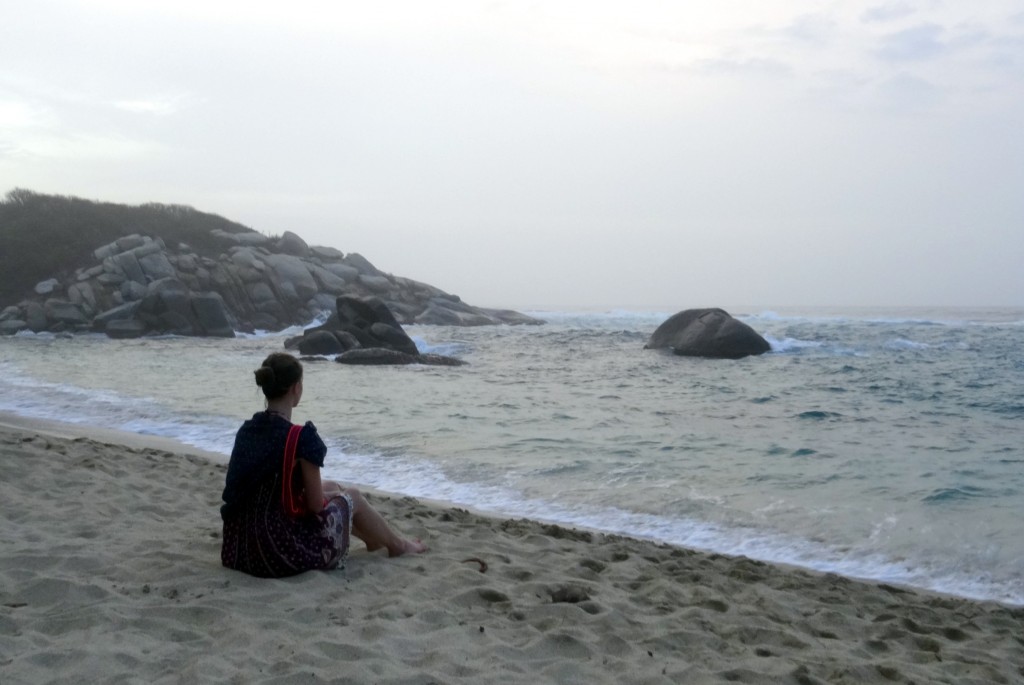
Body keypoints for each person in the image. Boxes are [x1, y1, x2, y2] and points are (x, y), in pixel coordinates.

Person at [221, 352, 426, 577]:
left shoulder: (247, 431)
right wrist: (338, 497)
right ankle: (399, 546)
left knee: (333, 486)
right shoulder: (300, 437)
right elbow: (316, 506)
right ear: (296, 388)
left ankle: (373, 541)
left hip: (239, 548)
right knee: (353, 496)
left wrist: (334, 493)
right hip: (277, 552)